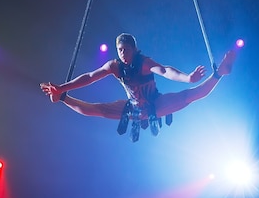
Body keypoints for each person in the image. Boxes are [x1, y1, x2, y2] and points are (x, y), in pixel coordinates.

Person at [40, 33, 236, 142]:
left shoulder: (143, 62)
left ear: (134, 49)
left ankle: (219, 73)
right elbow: (90, 77)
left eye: (126, 49)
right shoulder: (114, 66)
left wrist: (188, 78)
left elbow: (165, 70)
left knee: (190, 96)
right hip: (133, 108)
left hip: (155, 104)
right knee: (96, 110)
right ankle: (63, 98)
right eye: (120, 50)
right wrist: (61, 88)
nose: (123, 53)